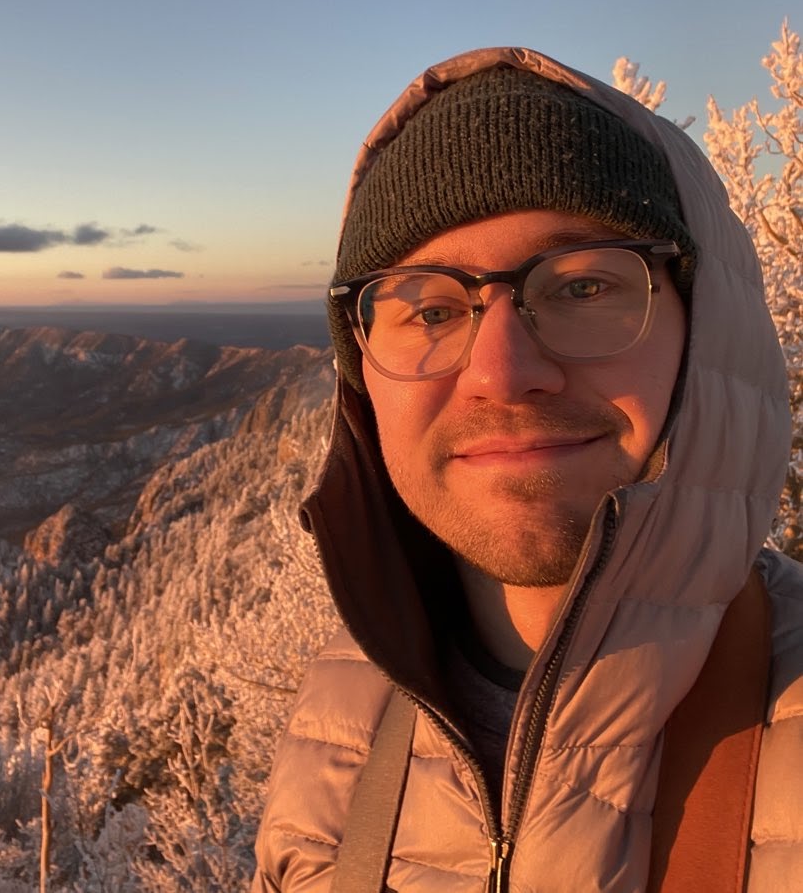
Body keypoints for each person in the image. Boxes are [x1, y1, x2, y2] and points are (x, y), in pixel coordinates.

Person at [251, 48, 802, 892]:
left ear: (708, 330)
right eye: (430, 308)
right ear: (362, 373)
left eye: (583, 287)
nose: (502, 373)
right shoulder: (336, 733)